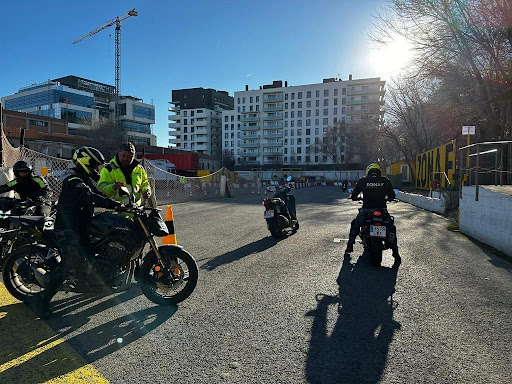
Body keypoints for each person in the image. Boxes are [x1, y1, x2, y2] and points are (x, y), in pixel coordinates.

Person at [39, 146, 122, 316]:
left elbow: (100, 192)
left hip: (81, 226)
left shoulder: (85, 177)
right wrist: (115, 205)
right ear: (86, 163)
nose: (97, 170)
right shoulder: (73, 180)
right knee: (70, 263)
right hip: (68, 229)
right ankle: (42, 302)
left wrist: (118, 196)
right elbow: (89, 197)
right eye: (95, 166)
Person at [345, 162, 401, 265]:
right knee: (391, 228)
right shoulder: (385, 181)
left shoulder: (363, 180)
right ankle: (396, 253)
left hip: (367, 210)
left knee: (355, 225)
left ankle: (350, 246)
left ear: (368, 171)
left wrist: (355, 197)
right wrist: (389, 198)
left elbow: (354, 195)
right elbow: (392, 195)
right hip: (382, 210)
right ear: (379, 171)